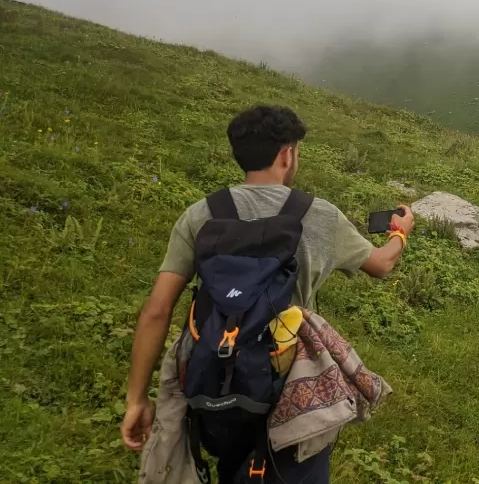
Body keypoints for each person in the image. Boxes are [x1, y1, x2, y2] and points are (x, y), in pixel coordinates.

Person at [121, 104, 414, 481]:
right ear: (287, 153)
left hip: (214, 379)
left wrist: (136, 399)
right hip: (292, 385)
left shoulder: (201, 214)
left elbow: (157, 311)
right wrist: (400, 231)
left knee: (232, 466)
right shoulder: (318, 214)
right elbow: (381, 264)